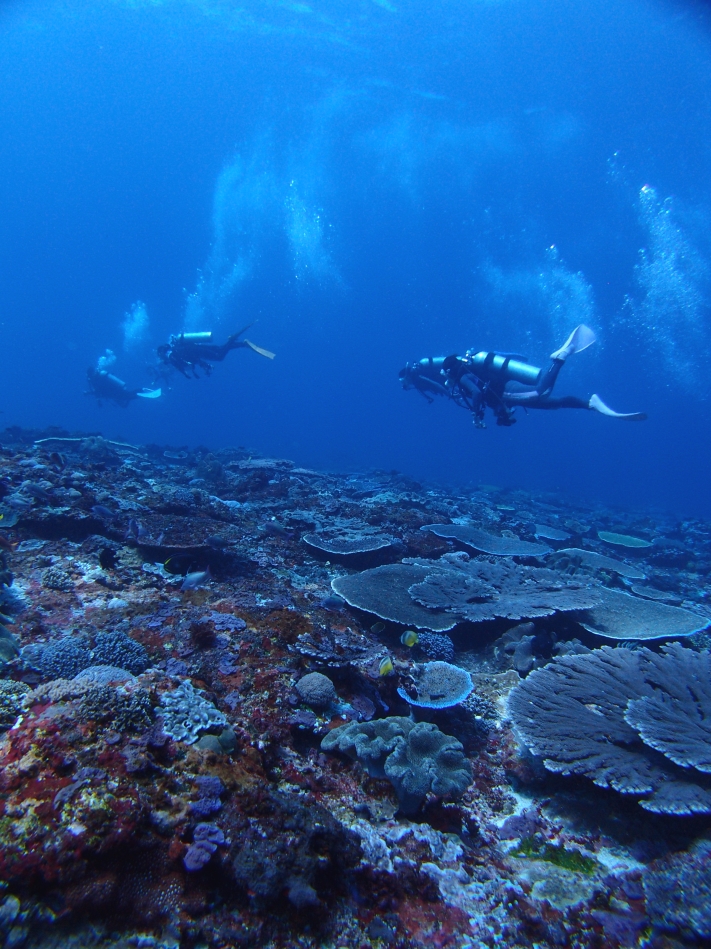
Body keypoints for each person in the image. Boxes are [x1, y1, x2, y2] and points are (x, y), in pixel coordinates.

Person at [399, 325, 646, 427]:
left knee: (541, 392)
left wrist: (476, 415)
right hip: (505, 394)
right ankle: (589, 404)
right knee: (552, 404)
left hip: (506, 390)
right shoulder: (462, 372)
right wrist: (500, 412)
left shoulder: (459, 374)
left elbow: (476, 393)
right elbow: (486, 396)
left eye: (444, 373)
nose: (444, 377)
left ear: (448, 370)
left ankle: (560, 357)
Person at [157, 324, 275, 379]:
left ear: (163, 353)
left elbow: (181, 366)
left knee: (219, 356)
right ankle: (243, 344)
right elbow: (193, 359)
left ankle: (232, 339)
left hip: (197, 351)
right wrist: (204, 365)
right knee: (220, 349)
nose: (162, 358)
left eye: (161, 356)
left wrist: (186, 375)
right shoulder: (177, 349)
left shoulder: (172, 356)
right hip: (197, 348)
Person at [87, 367, 162, 408]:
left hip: (114, 391)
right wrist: (98, 400)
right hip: (112, 393)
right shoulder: (94, 380)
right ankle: (142, 390)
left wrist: (98, 400)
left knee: (128, 396)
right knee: (126, 398)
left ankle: (141, 391)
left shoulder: (96, 379)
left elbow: (98, 391)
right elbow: (97, 391)